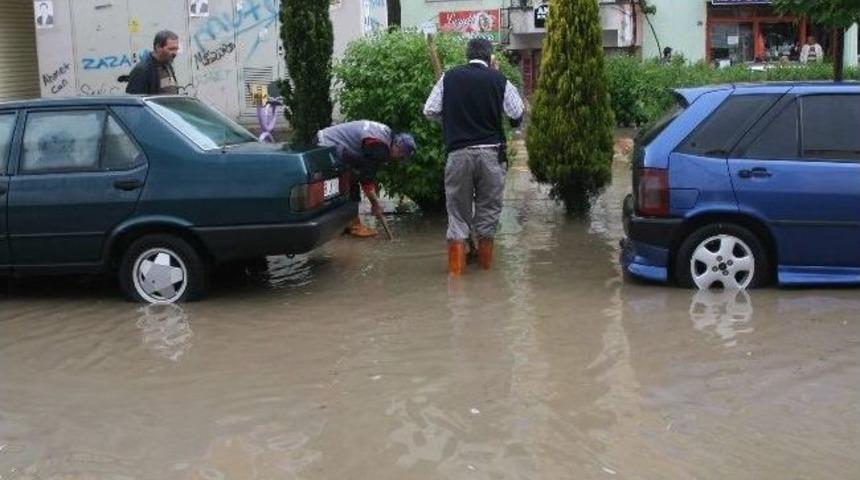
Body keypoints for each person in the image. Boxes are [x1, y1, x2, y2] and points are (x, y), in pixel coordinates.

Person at [423, 38, 524, 275]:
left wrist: (451, 119)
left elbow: (429, 110)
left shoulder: (449, 77)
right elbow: (517, 114)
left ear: (467, 56)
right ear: (490, 57)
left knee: (457, 215)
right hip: (491, 155)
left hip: (458, 154)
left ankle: (456, 281)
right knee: (488, 214)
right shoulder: (499, 80)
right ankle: (485, 273)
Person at [316, 121, 416, 237]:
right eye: (401, 156)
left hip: (327, 140)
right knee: (348, 179)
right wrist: (375, 205)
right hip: (326, 144)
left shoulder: (386, 137)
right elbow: (366, 179)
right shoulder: (379, 147)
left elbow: (368, 169)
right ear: (397, 148)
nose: (399, 159)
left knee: (352, 177)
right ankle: (350, 225)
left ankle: (347, 223)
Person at [126, 31, 180, 95]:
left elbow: (167, 89)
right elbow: (134, 100)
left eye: (176, 49)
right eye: (171, 49)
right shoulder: (142, 70)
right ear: (158, 47)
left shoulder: (167, 64)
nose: (175, 53)